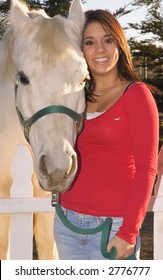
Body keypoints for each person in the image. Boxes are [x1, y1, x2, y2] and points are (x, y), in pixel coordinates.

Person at [54, 9, 159, 260]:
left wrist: (129, 232)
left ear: (119, 46)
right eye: (89, 42)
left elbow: (147, 168)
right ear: (81, 50)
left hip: (112, 228)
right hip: (67, 224)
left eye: (108, 40)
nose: (99, 49)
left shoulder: (136, 95)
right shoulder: (73, 97)